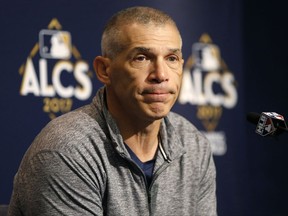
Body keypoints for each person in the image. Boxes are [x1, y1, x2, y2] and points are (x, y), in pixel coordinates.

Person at [8, 6, 217, 216]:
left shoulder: (193, 145)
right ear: (104, 70)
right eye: (142, 58)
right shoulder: (67, 149)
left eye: (171, 58)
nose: (161, 74)